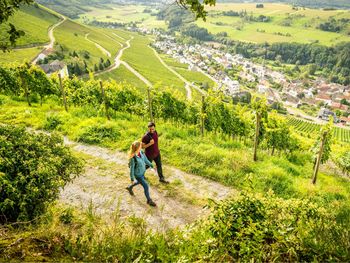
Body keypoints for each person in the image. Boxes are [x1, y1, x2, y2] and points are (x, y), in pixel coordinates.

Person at [126, 141, 157, 207]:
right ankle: (149, 200)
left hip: (142, 172)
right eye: (140, 146)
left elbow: (146, 160)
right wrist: (132, 178)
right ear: (137, 148)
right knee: (146, 186)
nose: (141, 146)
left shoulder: (141, 152)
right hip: (138, 175)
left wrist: (151, 165)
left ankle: (129, 187)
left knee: (139, 182)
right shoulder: (133, 158)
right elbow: (131, 169)